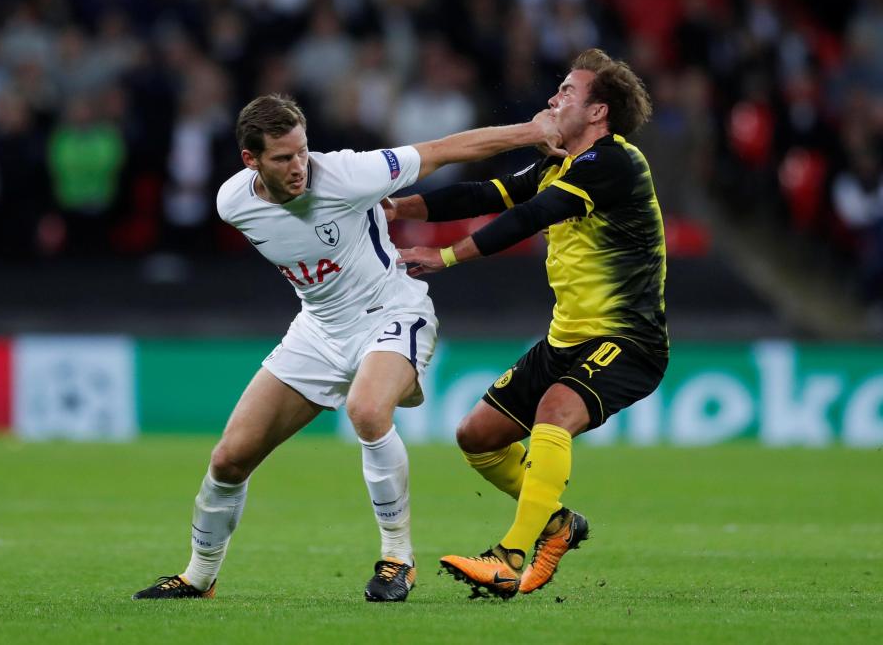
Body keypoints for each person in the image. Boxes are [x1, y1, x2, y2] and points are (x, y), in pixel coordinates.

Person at [132, 94, 561, 602]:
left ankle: (397, 559)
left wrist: (534, 132)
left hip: (392, 313)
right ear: (251, 161)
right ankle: (199, 577)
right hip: (316, 332)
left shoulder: (346, 173)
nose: (299, 168)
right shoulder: (233, 203)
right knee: (228, 460)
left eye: (302, 152)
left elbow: (444, 149)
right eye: (283, 158)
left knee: (366, 409)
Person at [391, 48, 668, 599]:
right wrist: (400, 209)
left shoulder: (616, 162)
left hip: (627, 341)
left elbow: (528, 217)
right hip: (566, 338)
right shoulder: (555, 163)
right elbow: (484, 195)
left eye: (567, 90)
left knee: (554, 411)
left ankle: (510, 555)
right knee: (478, 437)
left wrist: (445, 258)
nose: (552, 98)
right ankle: (559, 525)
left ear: (598, 112)